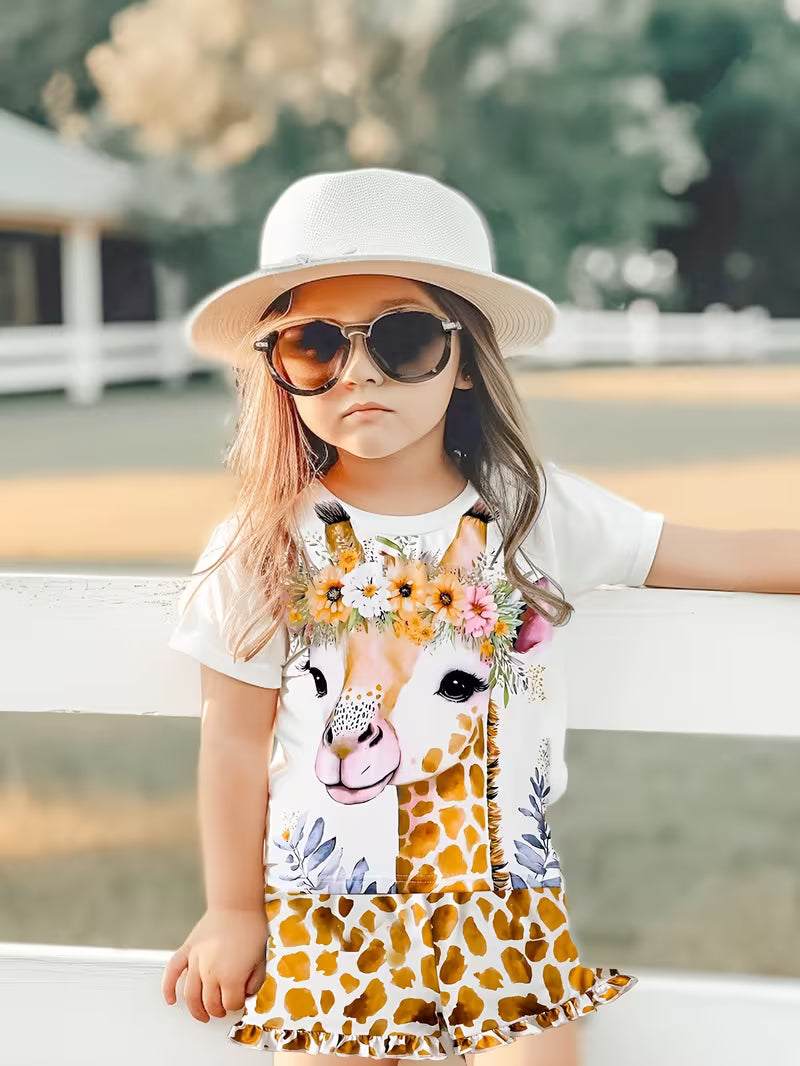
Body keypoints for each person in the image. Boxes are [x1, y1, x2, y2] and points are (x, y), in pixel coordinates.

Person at [160, 167, 667, 1064]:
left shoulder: (531, 515)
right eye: (315, 344)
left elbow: (722, 554)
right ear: (280, 371)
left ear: (464, 359)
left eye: (401, 338)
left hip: (501, 907)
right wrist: (233, 908)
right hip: (326, 914)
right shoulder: (263, 541)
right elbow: (233, 739)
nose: (357, 371)